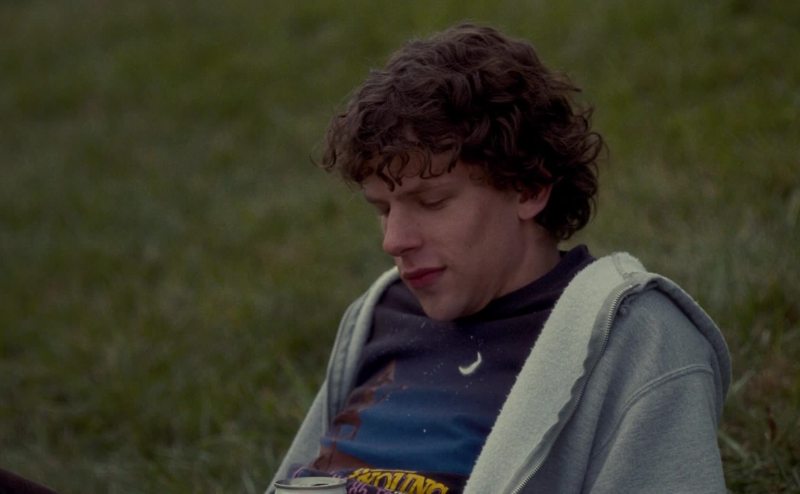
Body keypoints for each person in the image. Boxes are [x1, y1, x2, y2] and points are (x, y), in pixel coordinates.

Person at [267, 23, 731, 494]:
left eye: (431, 202)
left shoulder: (635, 337)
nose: (394, 240)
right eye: (382, 210)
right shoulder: (379, 311)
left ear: (529, 187)